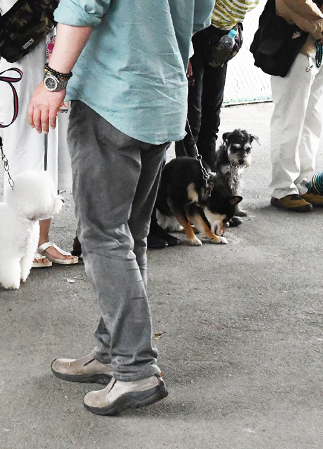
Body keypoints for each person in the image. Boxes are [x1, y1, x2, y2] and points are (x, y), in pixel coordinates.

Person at [27, 0, 214, 415]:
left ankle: (135, 370)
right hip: (160, 98)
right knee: (129, 235)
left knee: (103, 236)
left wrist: (54, 80)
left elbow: (81, 6)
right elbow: (201, 17)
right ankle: (112, 351)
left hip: (111, 96)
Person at [0, 8, 79, 269]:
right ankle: (16, 242)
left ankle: (41, 239)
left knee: (53, 153)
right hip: (23, 62)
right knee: (25, 150)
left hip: (54, 63)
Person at [267, 0, 323, 212]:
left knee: (312, 122)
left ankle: (304, 184)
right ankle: (282, 189)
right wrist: (322, 28)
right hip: (296, 45)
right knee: (289, 120)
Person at [176, 0, 260, 167]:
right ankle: (188, 175)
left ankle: (209, 177)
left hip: (223, 38)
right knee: (192, 119)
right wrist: (184, 48)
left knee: (212, 117)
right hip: (196, 33)